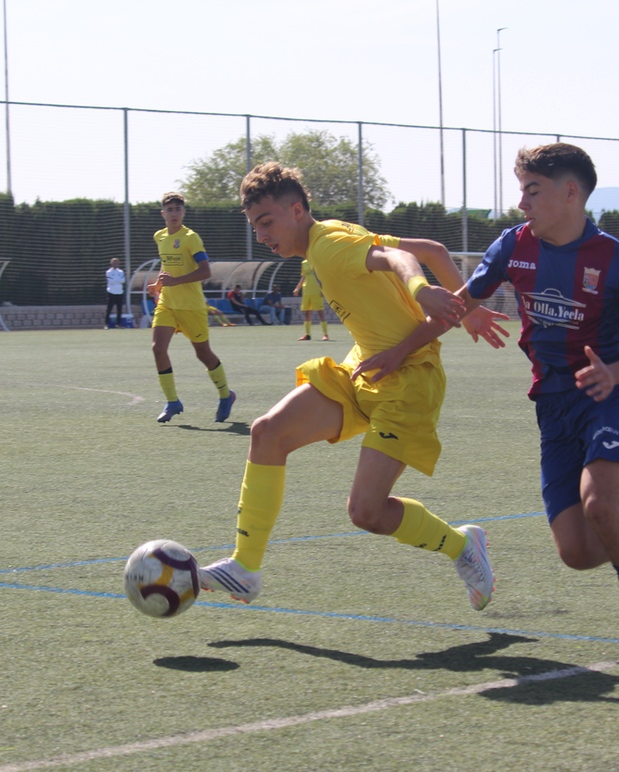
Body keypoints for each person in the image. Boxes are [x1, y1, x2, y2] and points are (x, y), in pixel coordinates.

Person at [197, 162, 508, 612]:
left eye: (267, 222)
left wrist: (421, 291)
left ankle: (462, 546)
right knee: (267, 433)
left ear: (297, 210)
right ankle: (244, 569)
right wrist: (469, 306)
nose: (261, 235)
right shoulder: (327, 237)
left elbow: (403, 259)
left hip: (409, 382)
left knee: (366, 513)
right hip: (365, 367)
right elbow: (434, 248)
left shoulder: (330, 247)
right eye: (255, 226)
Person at [446, 143, 619, 662]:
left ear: (571, 193)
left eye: (532, 191)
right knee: (580, 552)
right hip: (552, 404)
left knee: (600, 505)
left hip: (610, 394)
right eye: (521, 190)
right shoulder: (512, 246)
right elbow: (458, 304)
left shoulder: (615, 260)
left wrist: (615, 372)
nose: (521, 203)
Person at [150, 191, 236, 423]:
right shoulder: (159, 236)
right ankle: (172, 402)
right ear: (163, 213)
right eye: (170, 209)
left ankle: (226, 395)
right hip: (168, 304)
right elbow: (166, 266)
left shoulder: (191, 238)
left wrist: (176, 281)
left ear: (183, 212)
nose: (174, 213)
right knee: (158, 348)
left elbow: (205, 271)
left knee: (203, 354)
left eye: (178, 209)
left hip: (191, 307)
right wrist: (158, 285)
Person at [293, 258, 329, 340]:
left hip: (316, 290)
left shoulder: (317, 261)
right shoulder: (304, 263)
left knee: (320, 312)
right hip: (306, 291)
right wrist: (297, 288)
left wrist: (322, 289)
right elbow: (303, 277)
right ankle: (307, 334)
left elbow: (322, 276)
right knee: (307, 312)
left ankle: (325, 334)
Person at [104, 257, 126, 328]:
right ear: (111, 263)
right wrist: (118, 280)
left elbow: (123, 280)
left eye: (116, 263)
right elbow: (111, 281)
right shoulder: (108, 272)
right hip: (111, 292)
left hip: (119, 292)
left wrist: (116, 280)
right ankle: (106, 324)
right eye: (114, 263)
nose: (115, 264)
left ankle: (118, 324)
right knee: (109, 309)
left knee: (119, 309)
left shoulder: (121, 272)